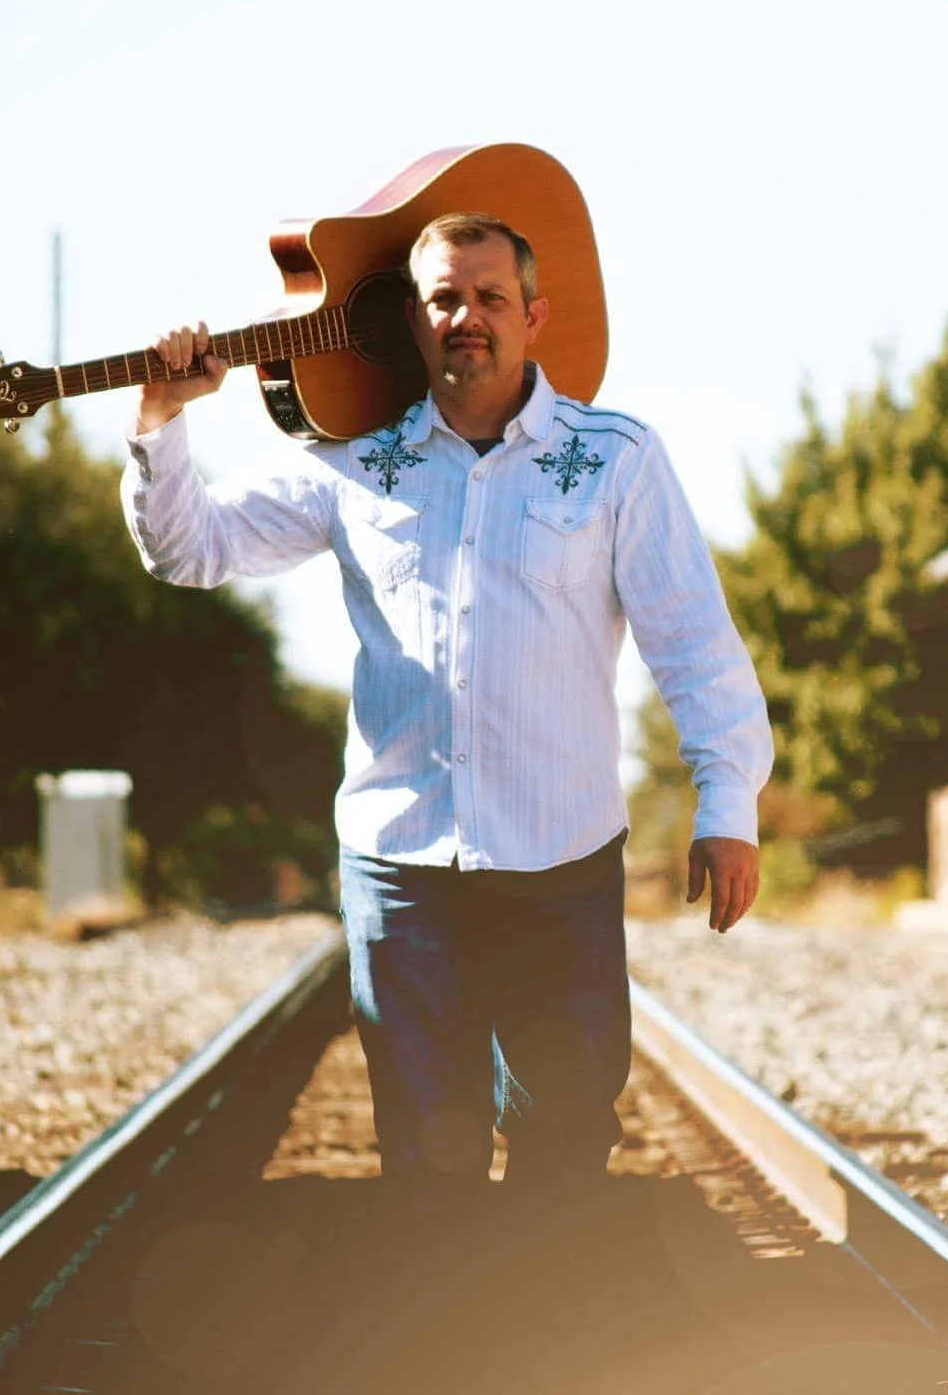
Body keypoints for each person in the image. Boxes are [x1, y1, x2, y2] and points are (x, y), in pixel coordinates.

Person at [121, 212, 771, 1200]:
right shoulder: (350, 463)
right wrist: (160, 419)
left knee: (562, 1141)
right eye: (442, 300)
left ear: (532, 315)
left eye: (488, 297)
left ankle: (546, 1343)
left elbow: (689, 642)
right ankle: (458, 1346)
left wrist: (726, 807)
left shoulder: (615, 460)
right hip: (400, 869)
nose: (465, 317)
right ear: (410, 324)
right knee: (429, 1157)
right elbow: (190, 548)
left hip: (559, 860)